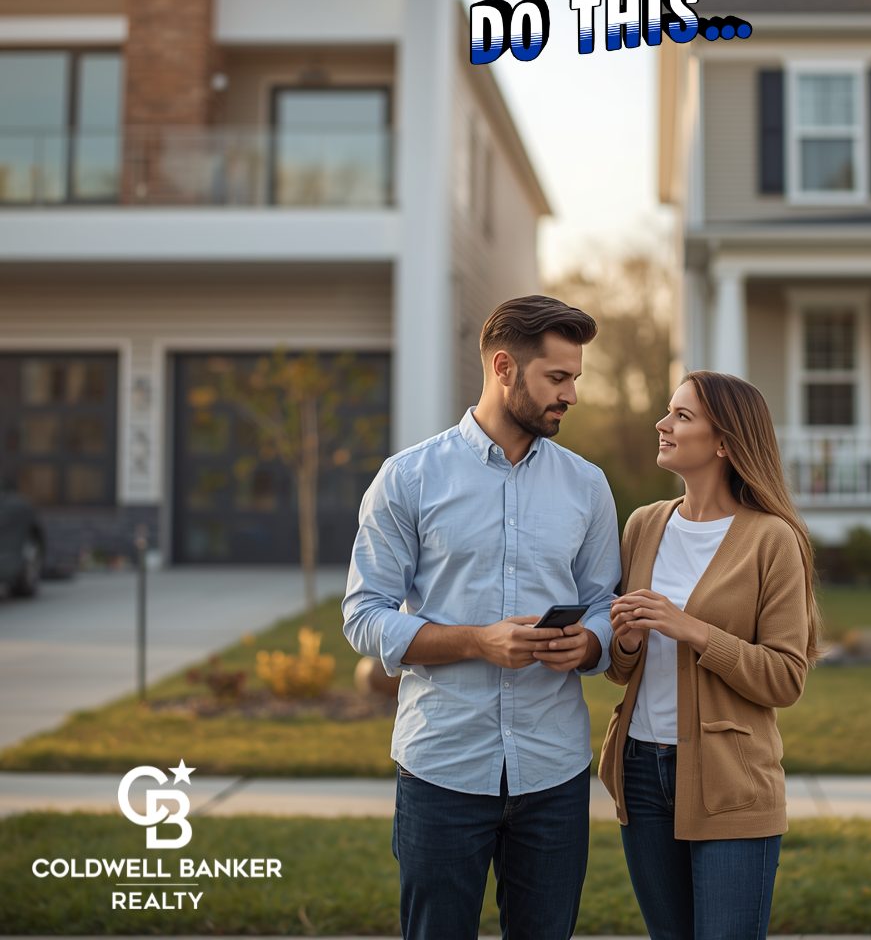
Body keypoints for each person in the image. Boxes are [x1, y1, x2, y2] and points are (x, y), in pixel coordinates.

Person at [343, 295, 621, 940]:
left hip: (553, 772)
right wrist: (476, 641)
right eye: (558, 377)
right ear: (504, 367)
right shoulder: (407, 479)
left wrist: (585, 646)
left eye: (575, 377)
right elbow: (364, 615)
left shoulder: (588, 486)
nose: (572, 394)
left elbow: (605, 604)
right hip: (443, 767)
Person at [597, 370, 823, 940]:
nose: (662, 424)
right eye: (669, 412)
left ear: (723, 442)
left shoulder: (772, 539)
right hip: (643, 771)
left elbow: (786, 678)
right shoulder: (644, 524)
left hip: (731, 779)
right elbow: (622, 670)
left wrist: (693, 630)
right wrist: (625, 640)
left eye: (682, 416)